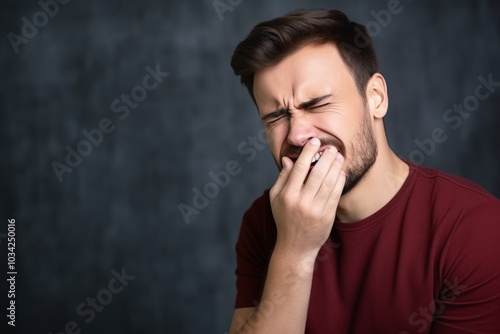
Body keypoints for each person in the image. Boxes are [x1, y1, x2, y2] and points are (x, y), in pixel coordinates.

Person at [227, 8, 500, 334]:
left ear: (376, 98)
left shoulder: (476, 228)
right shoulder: (264, 221)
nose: (298, 135)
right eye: (276, 117)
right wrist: (294, 251)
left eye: (316, 104)